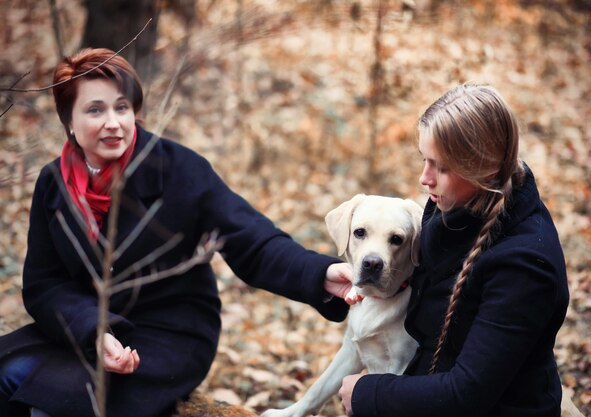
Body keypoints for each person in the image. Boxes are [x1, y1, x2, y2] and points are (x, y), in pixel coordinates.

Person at [0, 48, 354, 417]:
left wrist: (319, 274)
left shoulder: (178, 170)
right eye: (95, 110)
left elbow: (253, 241)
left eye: (121, 107)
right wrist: (94, 330)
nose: (113, 123)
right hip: (85, 329)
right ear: (68, 121)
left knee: (55, 405)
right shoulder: (53, 183)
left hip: (168, 334)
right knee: (6, 374)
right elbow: (44, 284)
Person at [338, 83, 569, 416]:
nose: (424, 178)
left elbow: (468, 393)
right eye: (424, 160)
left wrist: (370, 394)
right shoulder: (451, 208)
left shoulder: (525, 266)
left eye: (441, 167)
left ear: (484, 169)